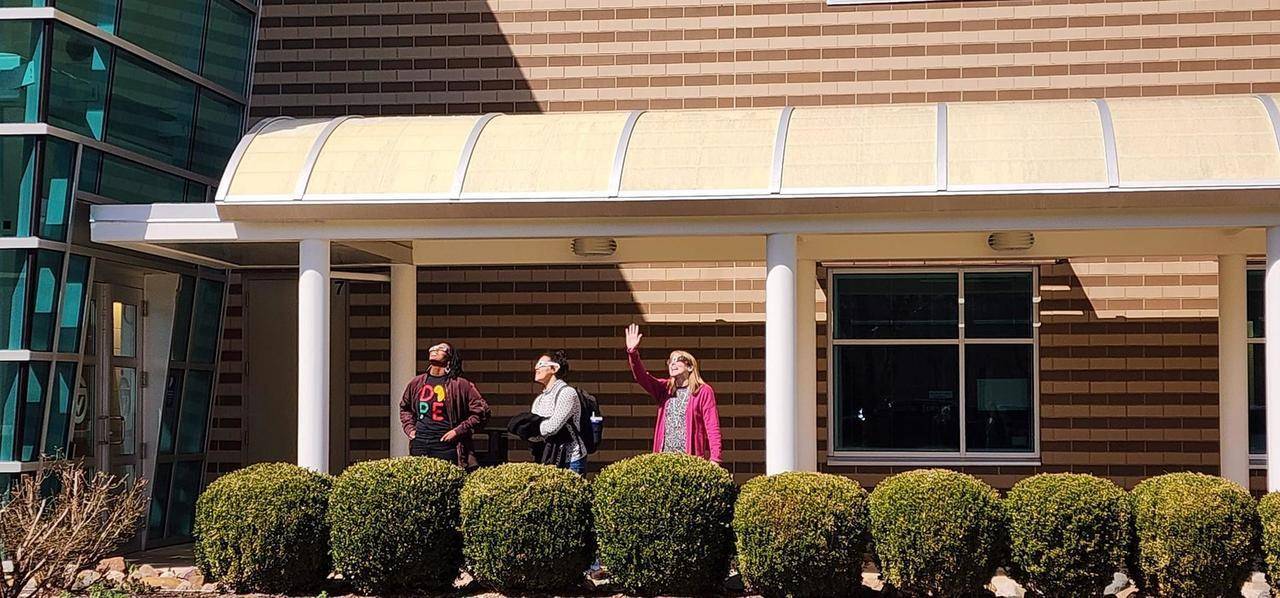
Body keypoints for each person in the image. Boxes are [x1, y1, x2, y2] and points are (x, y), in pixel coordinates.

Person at [623, 323, 722, 463]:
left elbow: (712, 427)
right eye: (670, 361)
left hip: (690, 460)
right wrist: (632, 353)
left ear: (690, 366)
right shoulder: (665, 389)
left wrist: (715, 459)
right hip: (663, 460)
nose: (672, 364)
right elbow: (642, 377)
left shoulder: (703, 391)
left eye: (678, 360)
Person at [398, 342, 490, 470]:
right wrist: (410, 429)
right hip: (420, 442)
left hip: (447, 445)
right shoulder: (416, 382)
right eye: (433, 348)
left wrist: (457, 432)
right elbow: (405, 408)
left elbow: (481, 412)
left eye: (441, 349)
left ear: (450, 358)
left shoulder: (460, 385)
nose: (435, 350)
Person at [528, 350, 588, 474]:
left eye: (541, 364)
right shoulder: (539, 399)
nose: (536, 368)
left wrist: (532, 427)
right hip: (549, 457)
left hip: (571, 460)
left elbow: (552, 427)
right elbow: (533, 434)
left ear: (554, 369)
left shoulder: (567, 393)